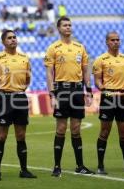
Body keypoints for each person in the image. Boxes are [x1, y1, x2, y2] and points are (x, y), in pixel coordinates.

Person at [44, 16, 94, 177]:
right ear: (59, 29)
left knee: (76, 129)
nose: (68, 27)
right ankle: (57, 166)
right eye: (65, 25)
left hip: (78, 91)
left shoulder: (80, 47)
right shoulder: (53, 48)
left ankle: (80, 166)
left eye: (70, 25)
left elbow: (86, 70)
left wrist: (89, 91)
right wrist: (52, 94)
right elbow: (49, 74)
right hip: (61, 90)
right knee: (60, 128)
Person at [0, 30, 37, 181]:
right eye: (9, 38)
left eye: (14, 37)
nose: (13, 40)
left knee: (21, 136)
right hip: (4, 99)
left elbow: (27, 80)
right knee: (2, 136)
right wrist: (0, 95)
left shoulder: (24, 58)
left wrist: (19, 91)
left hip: (20, 99)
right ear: (3, 42)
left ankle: (24, 170)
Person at [92, 31, 124, 175]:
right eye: (113, 40)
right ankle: (100, 166)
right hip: (108, 97)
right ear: (107, 42)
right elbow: (97, 81)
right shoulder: (100, 60)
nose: (116, 42)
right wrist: (104, 89)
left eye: (118, 40)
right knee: (104, 132)